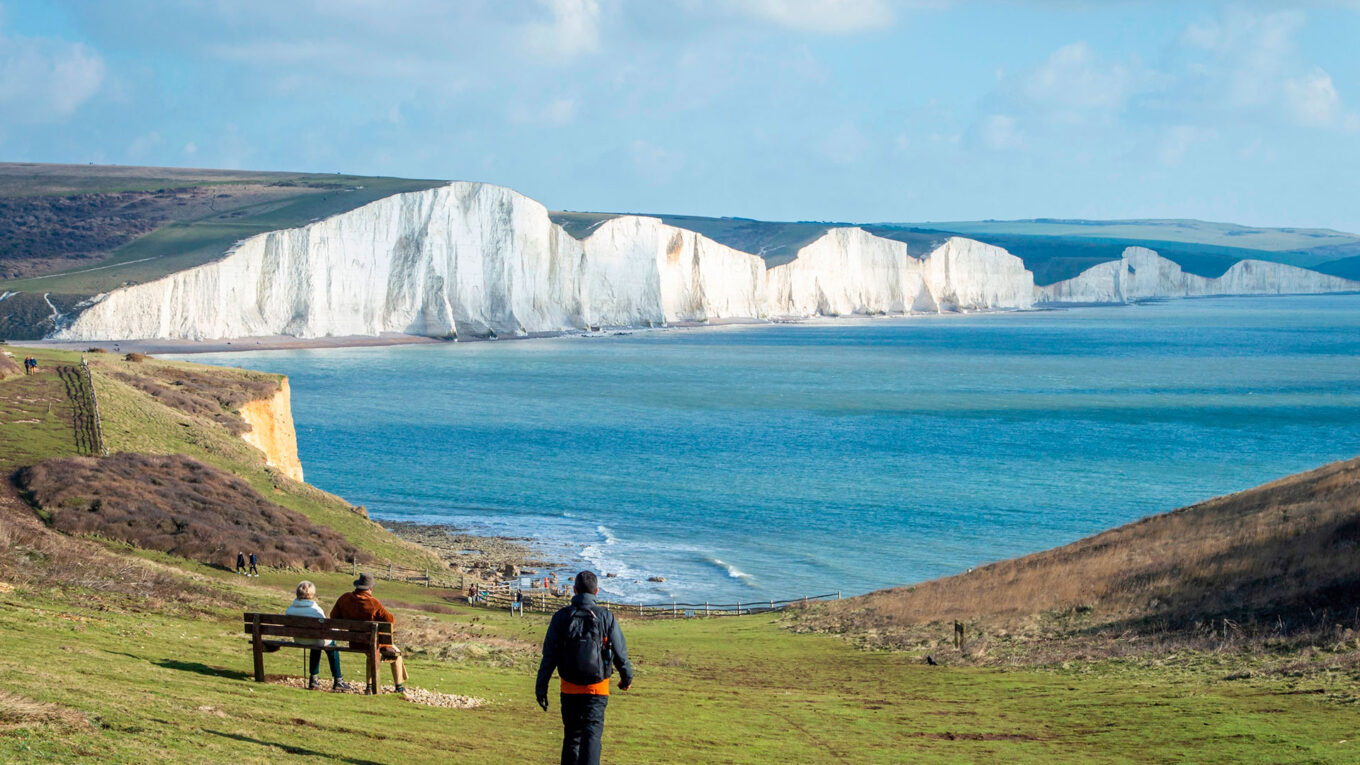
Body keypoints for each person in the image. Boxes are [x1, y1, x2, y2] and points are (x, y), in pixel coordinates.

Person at [536, 571, 634, 765]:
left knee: (572, 737)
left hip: (569, 687)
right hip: (597, 688)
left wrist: (541, 686)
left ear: (574, 590)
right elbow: (621, 654)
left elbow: (549, 656)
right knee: (592, 737)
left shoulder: (561, 617)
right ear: (596, 591)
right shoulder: (606, 616)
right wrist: (626, 679)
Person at [331, 573, 407, 692]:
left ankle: (369, 687)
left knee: (371, 654)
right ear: (370, 588)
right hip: (371, 643)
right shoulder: (373, 603)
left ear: (357, 586)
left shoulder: (344, 598)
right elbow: (390, 621)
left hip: (354, 641)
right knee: (396, 654)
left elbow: (333, 617)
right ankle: (399, 687)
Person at [286, 581, 352, 691]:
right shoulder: (316, 610)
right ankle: (338, 680)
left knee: (316, 642)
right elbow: (324, 628)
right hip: (314, 639)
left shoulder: (290, 609)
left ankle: (313, 679)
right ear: (312, 595)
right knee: (330, 645)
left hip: (299, 639)